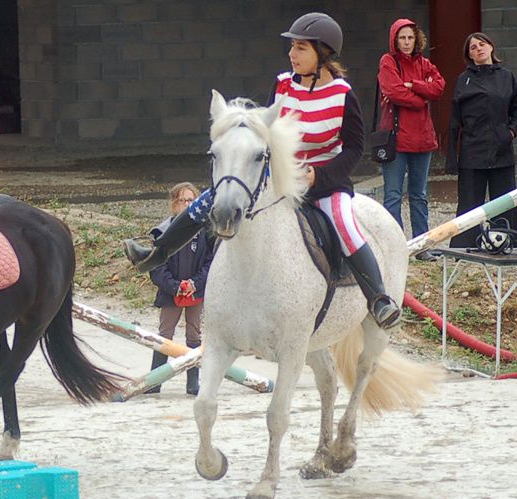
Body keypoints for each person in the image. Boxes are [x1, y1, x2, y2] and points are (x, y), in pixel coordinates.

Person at [124, 12, 401, 329]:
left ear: (322, 53)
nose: (292, 55)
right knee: (212, 199)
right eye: (292, 47)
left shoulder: (342, 94)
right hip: (280, 176)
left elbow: (354, 148)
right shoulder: (283, 84)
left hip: (324, 182)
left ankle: (379, 298)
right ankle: (157, 252)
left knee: (344, 222)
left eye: (300, 48)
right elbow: (266, 133)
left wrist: (319, 176)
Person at [377, 19, 445, 260]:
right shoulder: (388, 61)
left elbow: (438, 88)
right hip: (396, 140)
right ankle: (394, 249)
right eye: (402, 37)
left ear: (417, 39)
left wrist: (413, 84)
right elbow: (393, 90)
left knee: (420, 195)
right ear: (394, 39)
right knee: (393, 195)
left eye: (410, 38)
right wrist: (420, 97)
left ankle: (421, 246)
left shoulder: (425, 63)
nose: (406, 42)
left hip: (423, 139)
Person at [446, 32, 517, 249]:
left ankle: (506, 243)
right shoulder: (463, 80)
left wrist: (510, 132)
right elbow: (454, 122)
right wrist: (452, 158)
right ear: (470, 56)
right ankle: (464, 246)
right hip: (472, 151)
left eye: (482, 44)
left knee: (505, 203)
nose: (478, 49)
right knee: (469, 204)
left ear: (491, 47)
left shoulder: (507, 77)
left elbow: (515, 109)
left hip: (502, 150)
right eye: (473, 47)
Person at [145, 183, 214, 396]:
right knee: (164, 335)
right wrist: (175, 287)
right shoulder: (163, 231)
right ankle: (155, 382)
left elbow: (210, 263)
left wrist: (194, 284)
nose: (186, 204)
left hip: (196, 292)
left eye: (191, 200)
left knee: (194, 335)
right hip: (170, 293)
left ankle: (192, 383)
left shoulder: (206, 232)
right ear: (173, 203)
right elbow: (156, 266)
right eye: (182, 200)